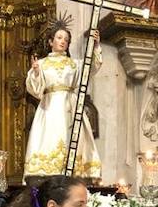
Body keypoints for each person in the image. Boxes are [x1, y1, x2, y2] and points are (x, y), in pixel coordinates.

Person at [24, 20, 102, 180]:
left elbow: (92, 67)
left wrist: (95, 46)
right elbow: (34, 89)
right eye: (59, 38)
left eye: (66, 39)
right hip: (49, 107)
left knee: (74, 140)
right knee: (49, 139)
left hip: (71, 107)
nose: (63, 41)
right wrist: (37, 73)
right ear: (51, 41)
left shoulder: (75, 64)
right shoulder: (42, 63)